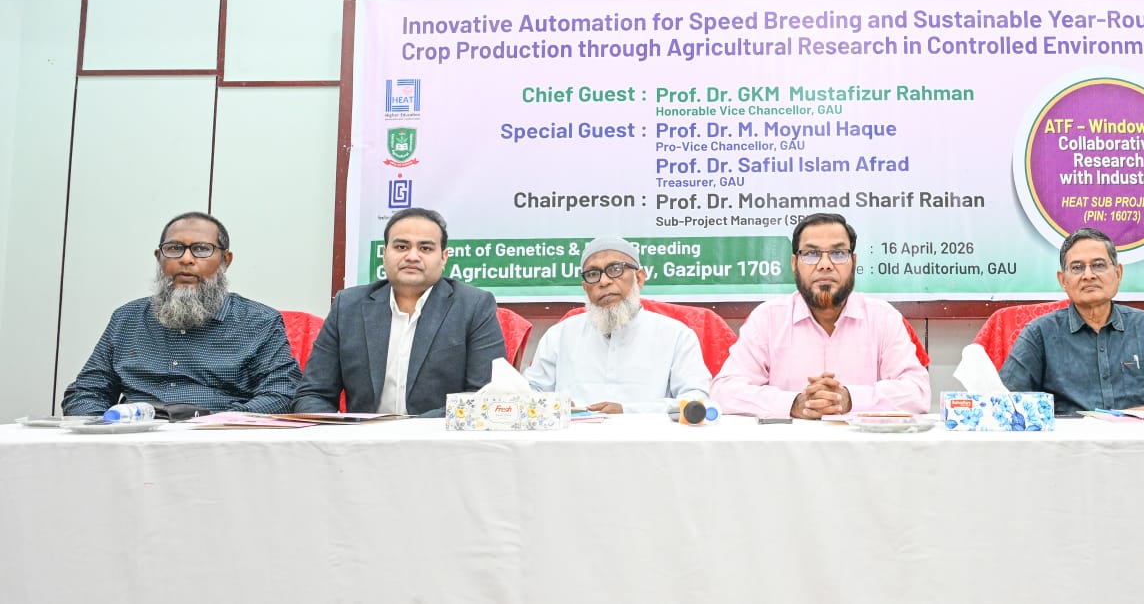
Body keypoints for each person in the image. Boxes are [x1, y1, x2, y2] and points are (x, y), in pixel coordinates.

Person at [61, 212, 300, 415]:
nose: (186, 259)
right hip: (134, 439)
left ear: (225, 260)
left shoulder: (260, 322)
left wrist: (218, 425)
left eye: (201, 249)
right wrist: (104, 430)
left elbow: (281, 394)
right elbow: (86, 391)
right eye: (174, 248)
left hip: (220, 440)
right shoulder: (127, 318)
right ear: (159, 258)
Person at [711, 213, 929, 418]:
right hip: (788, 445)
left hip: (863, 444)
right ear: (794, 264)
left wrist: (850, 399)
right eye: (811, 254)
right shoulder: (767, 319)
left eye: (838, 253)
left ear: (854, 262)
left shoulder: (883, 318)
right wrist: (793, 403)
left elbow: (918, 392)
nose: (825, 265)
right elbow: (724, 391)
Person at [294, 208, 505, 417]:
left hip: (438, 436)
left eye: (425, 248)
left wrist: (408, 430)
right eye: (401, 246)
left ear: (443, 258)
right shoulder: (348, 306)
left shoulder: (473, 306)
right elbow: (313, 394)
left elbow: (484, 396)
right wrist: (339, 433)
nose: (412, 256)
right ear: (384, 253)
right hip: (363, 437)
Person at [1000, 227, 1144, 415]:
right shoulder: (1039, 334)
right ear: (1063, 280)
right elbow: (1005, 404)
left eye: (1098, 265)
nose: (1088, 275)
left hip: (1135, 437)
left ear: (1118, 273)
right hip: (1070, 439)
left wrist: (1122, 419)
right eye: (1077, 268)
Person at [523, 236, 711, 413]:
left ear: (639, 278)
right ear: (585, 288)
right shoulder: (559, 335)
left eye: (615, 269)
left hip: (649, 436)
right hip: (572, 435)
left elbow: (696, 400)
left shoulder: (676, 335)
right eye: (593, 274)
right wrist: (553, 405)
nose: (603, 281)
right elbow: (529, 393)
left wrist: (627, 411)